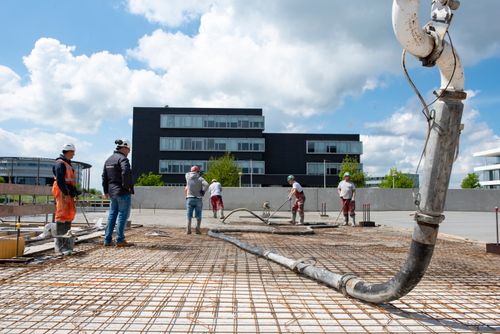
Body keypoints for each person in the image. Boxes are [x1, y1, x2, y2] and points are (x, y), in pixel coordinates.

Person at [102, 139, 134, 247]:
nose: (128, 152)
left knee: (112, 215)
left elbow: (104, 177)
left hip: (112, 192)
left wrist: (105, 191)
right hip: (122, 192)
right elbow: (126, 172)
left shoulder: (108, 160)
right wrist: (127, 186)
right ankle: (120, 240)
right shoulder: (123, 159)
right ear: (124, 148)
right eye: (128, 150)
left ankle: (107, 239)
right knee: (122, 215)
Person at [52, 143, 80, 255]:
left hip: (68, 192)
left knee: (69, 215)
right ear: (68, 151)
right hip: (62, 191)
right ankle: (60, 246)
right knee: (61, 215)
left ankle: (67, 245)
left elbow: (70, 181)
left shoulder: (67, 163)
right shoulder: (60, 164)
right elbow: (60, 180)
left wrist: (74, 192)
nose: (74, 154)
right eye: (73, 152)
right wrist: (66, 193)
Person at [184, 166, 209, 234]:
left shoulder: (187, 177)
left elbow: (189, 173)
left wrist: (195, 172)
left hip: (190, 198)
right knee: (198, 215)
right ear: (198, 171)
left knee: (189, 215)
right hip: (198, 199)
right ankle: (197, 230)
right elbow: (207, 185)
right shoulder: (200, 179)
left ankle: (188, 230)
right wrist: (203, 191)